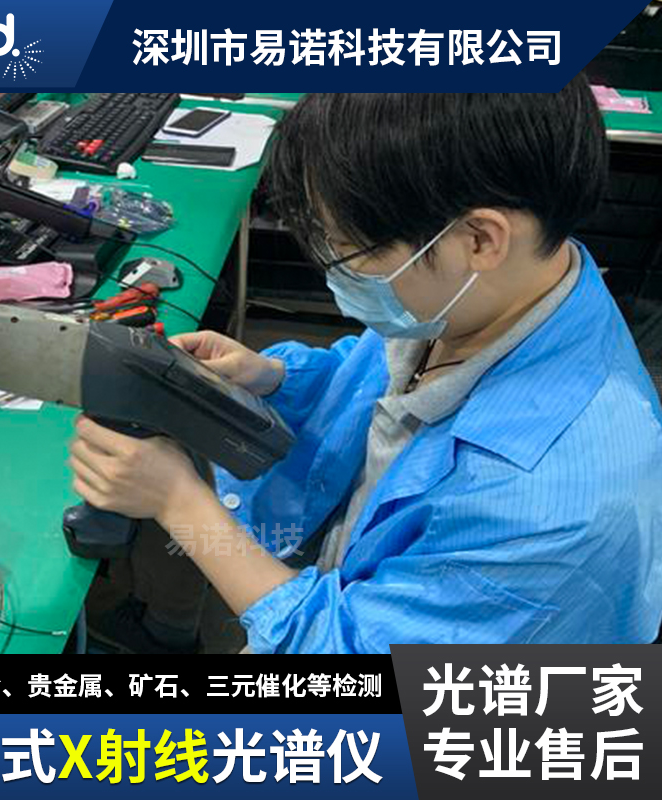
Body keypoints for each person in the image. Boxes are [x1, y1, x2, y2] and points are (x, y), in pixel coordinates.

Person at [69, 84, 662, 653]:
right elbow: (376, 381)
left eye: (351, 250)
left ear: (481, 240)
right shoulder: (499, 293)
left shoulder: (548, 512)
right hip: (344, 558)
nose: (337, 270)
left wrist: (179, 502)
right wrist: (272, 377)